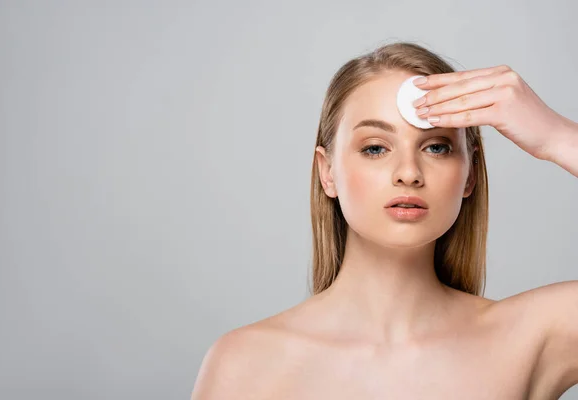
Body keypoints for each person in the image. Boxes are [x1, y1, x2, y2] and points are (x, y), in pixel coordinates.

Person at [191, 41, 578, 399]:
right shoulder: (244, 364)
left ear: (470, 175)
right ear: (327, 173)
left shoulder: (529, 338)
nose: (408, 172)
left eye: (437, 147)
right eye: (375, 148)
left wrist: (558, 138)